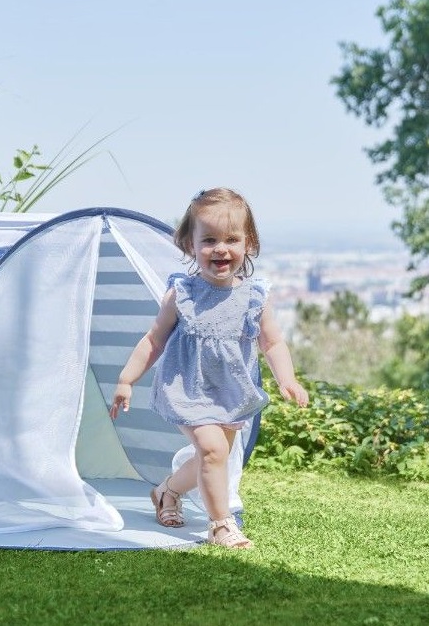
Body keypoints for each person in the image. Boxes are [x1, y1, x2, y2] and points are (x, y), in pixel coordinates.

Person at [110, 187, 308, 549]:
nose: (221, 248)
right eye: (210, 240)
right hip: (188, 387)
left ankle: (166, 492)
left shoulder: (254, 297)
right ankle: (220, 525)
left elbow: (272, 342)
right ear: (190, 244)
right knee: (214, 451)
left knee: (213, 456)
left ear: (248, 243)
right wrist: (126, 379)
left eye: (232, 239)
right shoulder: (181, 294)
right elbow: (154, 339)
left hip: (231, 391)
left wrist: (287, 378)